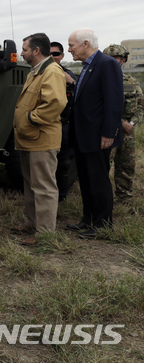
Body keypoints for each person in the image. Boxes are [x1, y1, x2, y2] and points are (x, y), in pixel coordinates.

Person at [66, 29, 123, 239]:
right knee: (87, 179)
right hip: (84, 136)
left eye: (72, 45)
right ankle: (88, 219)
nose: (69, 49)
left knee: (98, 180)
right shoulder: (87, 66)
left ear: (85, 43)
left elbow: (114, 102)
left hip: (99, 137)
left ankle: (103, 224)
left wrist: (109, 133)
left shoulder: (107, 64)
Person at [11, 33, 67, 245]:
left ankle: (44, 234)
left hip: (41, 138)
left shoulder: (51, 71)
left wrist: (30, 120)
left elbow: (55, 103)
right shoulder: (36, 71)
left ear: (36, 51)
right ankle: (32, 223)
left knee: (44, 187)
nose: (21, 53)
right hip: (30, 138)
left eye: (24, 49)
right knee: (31, 183)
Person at [103, 44, 144, 203]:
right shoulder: (100, 81)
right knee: (104, 165)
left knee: (127, 165)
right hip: (108, 131)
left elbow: (141, 105)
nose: (113, 61)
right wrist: (121, 123)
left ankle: (124, 198)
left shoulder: (131, 82)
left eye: (116, 58)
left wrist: (132, 122)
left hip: (128, 132)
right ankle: (103, 199)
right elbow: (99, 108)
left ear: (123, 60)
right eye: (109, 59)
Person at [50, 41, 77, 202]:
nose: (53, 57)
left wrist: (71, 83)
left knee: (64, 162)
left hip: (64, 125)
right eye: (50, 54)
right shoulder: (42, 74)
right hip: (46, 124)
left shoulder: (69, 75)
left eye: (56, 54)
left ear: (62, 56)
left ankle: (62, 195)